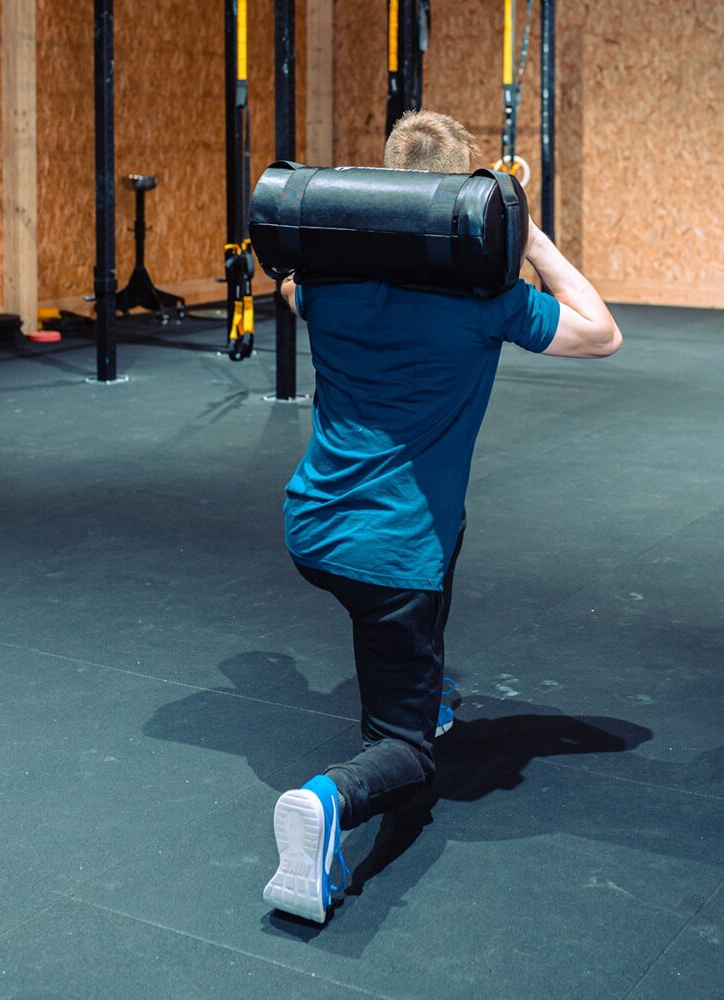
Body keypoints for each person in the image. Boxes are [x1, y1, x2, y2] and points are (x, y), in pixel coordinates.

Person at [262, 110, 622, 924]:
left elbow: (291, 290)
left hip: (314, 526)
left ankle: (422, 692)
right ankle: (326, 803)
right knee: (407, 754)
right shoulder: (488, 302)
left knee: (434, 548)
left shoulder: (326, 287)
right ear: (463, 197)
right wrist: (525, 230)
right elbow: (601, 332)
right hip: (391, 553)